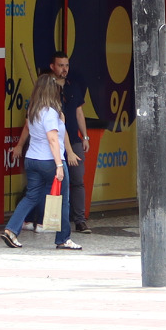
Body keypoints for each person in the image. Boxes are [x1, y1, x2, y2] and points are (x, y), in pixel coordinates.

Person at [1, 73, 80, 251]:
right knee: (63, 200)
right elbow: (53, 139)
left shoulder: (33, 110)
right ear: (52, 91)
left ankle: (11, 230)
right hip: (50, 161)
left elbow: (29, 129)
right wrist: (60, 165)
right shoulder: (50, 113)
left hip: (32, 160)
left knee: (31, 196)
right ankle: (63, 239)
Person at [51, 53, 92, 233]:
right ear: (53, 66)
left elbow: (79, 113)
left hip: (74, 141)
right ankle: (53, 219)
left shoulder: (73, 86)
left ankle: (80, 220)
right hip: (52, 142)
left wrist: (85, 136)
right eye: (60, 65)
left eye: (66, 65)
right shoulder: (47, 88)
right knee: (52, 180)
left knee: (77, 180)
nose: (64, 69)